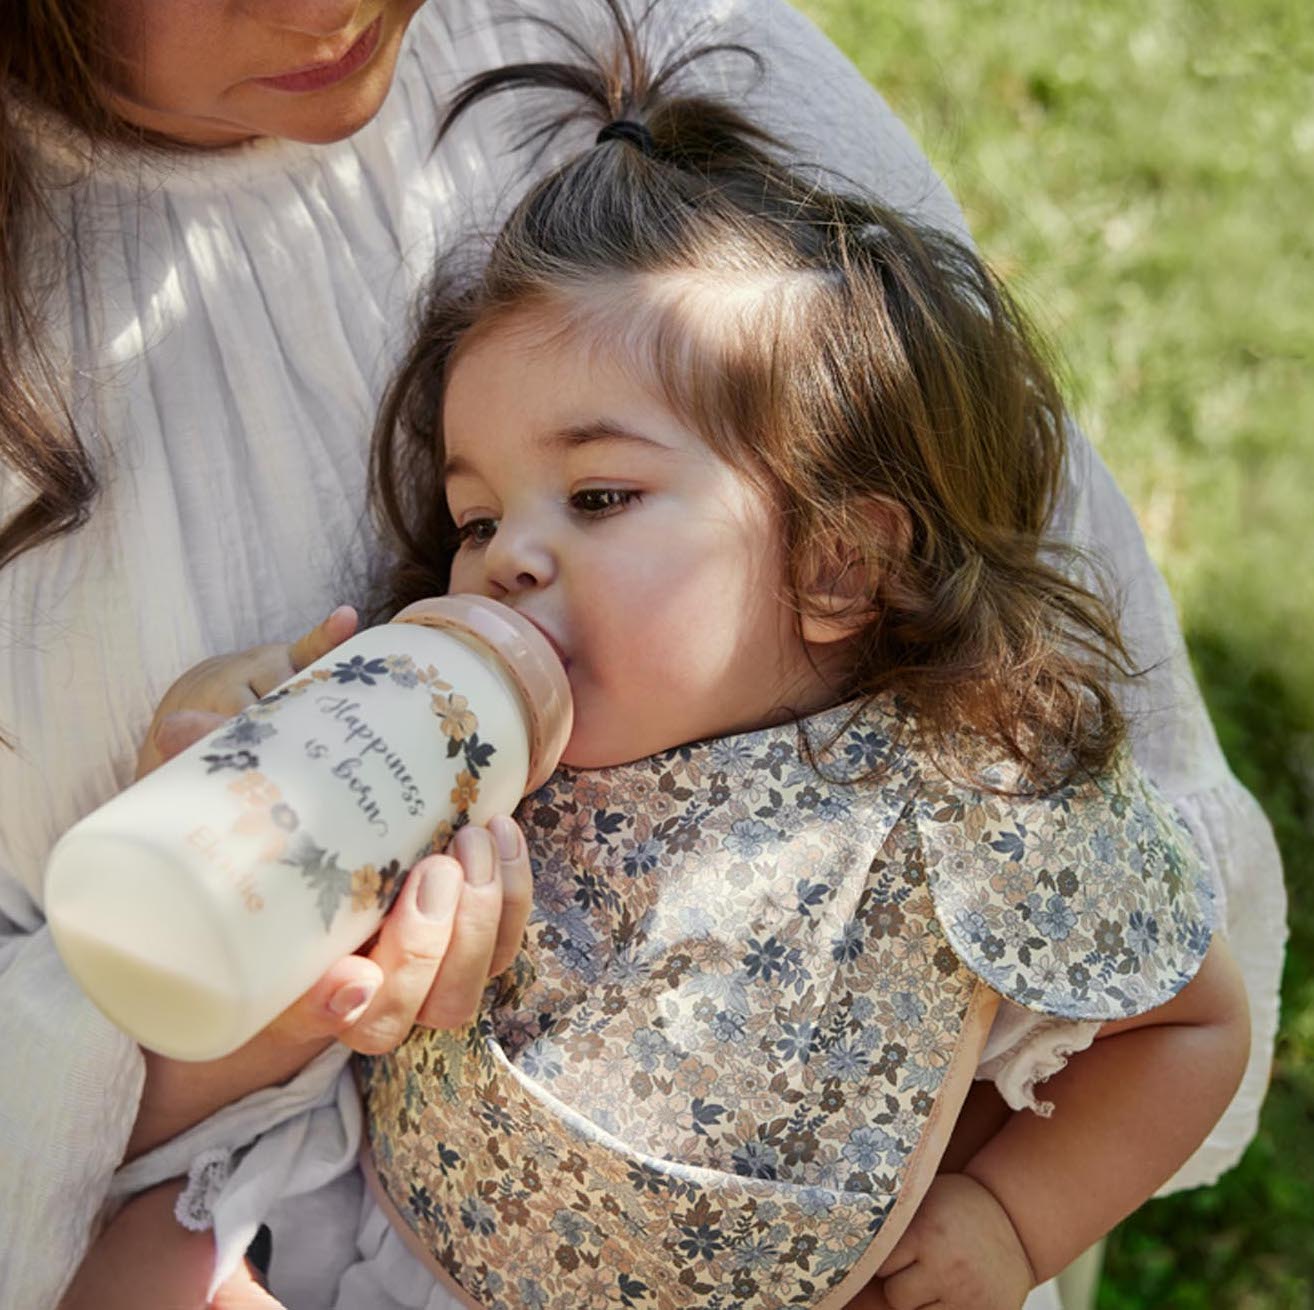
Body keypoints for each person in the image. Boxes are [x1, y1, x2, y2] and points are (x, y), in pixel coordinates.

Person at [0, 1, 1283, 1308]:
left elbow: (1190, 1024)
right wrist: (255, 775)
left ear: (838, 560)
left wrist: (1010, 1217)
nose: (509, 561)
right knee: (149, 1262)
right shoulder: (475, 758)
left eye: (599, 498)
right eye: (477, 518)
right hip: (391, 1246)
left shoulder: (969, 790)